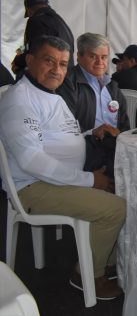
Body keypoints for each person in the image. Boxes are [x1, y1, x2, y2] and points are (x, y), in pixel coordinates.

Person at [0, 35, 126, 300]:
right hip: (33, 187)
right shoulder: (20, 100)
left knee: (120, 192)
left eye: (63, 63)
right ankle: (87, 275)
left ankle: (105, 259)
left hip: (58, 181)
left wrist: (93, 130)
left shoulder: (49, 94)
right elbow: (31, 161)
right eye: (49, 61)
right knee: (115, 208)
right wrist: (90, 180)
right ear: (30, 60)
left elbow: (61, 137)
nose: (57, 70)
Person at [57, 33, 130, 179]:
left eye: (104, 57)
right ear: (79, 56)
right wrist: (93, 132)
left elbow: (124, 125)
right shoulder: (68, 84)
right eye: (93, 56)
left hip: (112, 148)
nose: (100, 62)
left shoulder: (112, 85)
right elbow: (64, 129)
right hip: (85, 149)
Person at [12, 0, 74, 79]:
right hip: (65, 75)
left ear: (29, 10)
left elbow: (35, 51)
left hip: (49, 76)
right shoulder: (60, 21)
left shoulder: (36, 20)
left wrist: (17, 61)